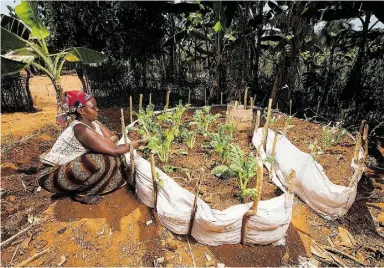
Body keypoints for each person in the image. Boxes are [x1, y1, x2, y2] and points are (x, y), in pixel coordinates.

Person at [37, 90, 147, 204]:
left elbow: (114, 137)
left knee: (113, 160)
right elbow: (114, 149)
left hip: (68, 168)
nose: (97, 109)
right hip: (51, 174)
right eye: (93, 107)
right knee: (99, 160)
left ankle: (85, 187)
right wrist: (141, 142)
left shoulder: (94, 123)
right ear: (81, 110)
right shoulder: (80, 129)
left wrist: (108, 143)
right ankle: (81, 194)